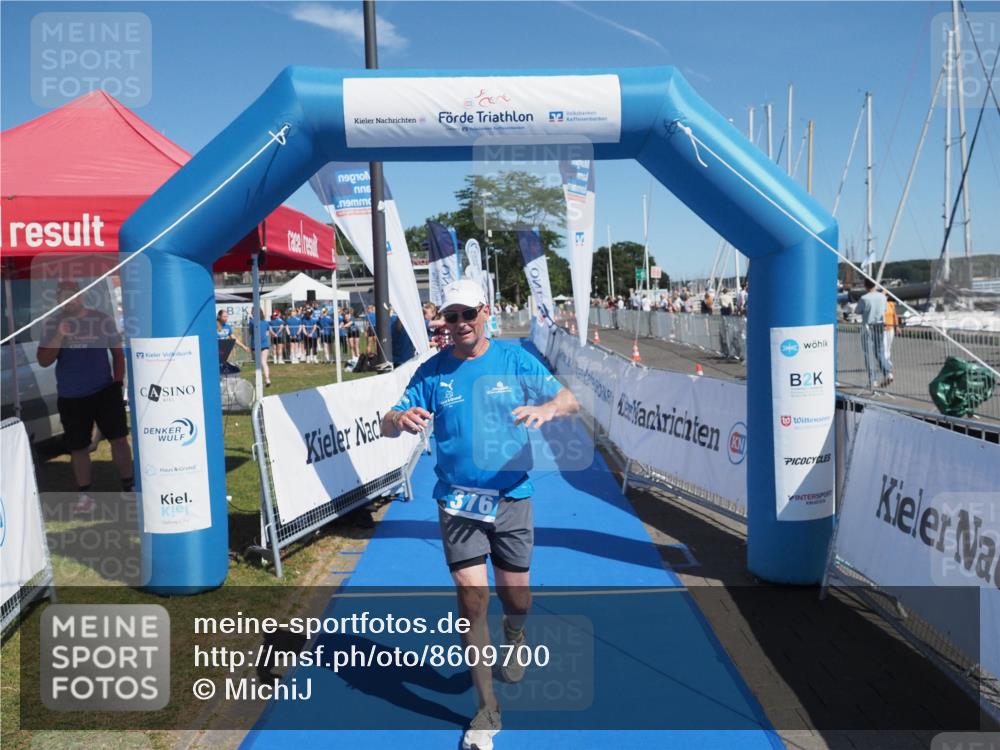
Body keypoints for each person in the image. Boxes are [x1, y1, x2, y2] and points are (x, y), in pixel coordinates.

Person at [380, 279, 579, 750]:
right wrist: (397, 420)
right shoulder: (433, 373)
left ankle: (516, 634)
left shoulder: (512, 360)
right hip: (457, 502)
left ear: (484, 311)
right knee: (472, 597)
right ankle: (486, 709)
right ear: (442, 322)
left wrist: (549, 409)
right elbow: (389, 420)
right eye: (450, 317)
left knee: (517, 598)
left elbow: (568, 398)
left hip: (512, 496)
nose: (460, 324)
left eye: (467, 314)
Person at [37, 281, 134, 513]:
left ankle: (128, 487)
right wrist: (60, 335)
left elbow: (118, 355)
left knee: (119, 439)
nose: (67, 300)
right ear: (58, 301)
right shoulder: (52, 324)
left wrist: (118, 383)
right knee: (78, 447)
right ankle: (85, 495)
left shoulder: (101, 319)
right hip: (71, 396)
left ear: (81, 296)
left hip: (104, 391)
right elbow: (43, 360)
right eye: (62, 297)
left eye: (72, 296)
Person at [855, 278, 893, 388]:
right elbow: (884, 310)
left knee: (868, 354)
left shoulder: (864, 298)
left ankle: (873, 380)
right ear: (875, 286)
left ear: (865, 286)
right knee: (880, 351)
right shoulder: (882, 297)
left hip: (868, 327)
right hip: (880, 325)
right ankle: (888, 372)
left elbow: (857, 311)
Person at [247, 308, 271, 387]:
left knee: (258, 363)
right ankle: (267, 378)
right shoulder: (265, 322)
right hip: (264, 344)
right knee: (264, 362)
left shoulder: (252, 322)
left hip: (255, 344)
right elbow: (267, 332)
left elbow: (250, 332)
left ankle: (259, 379)